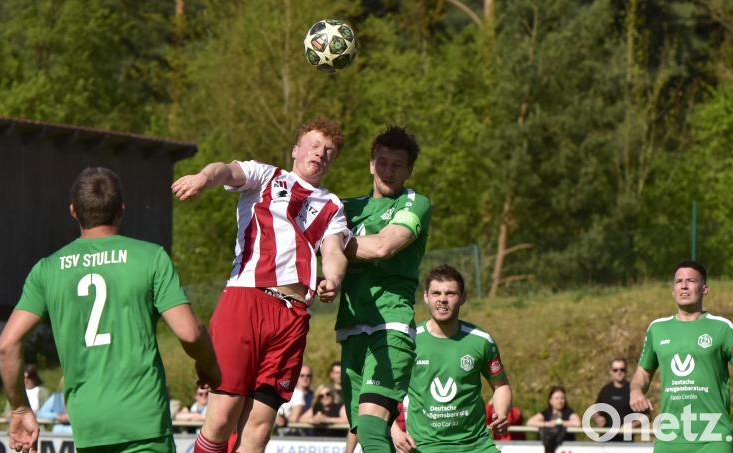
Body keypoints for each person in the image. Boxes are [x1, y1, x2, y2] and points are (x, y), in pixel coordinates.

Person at [0, 167, 221, 453]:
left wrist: (19, 409)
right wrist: (209, 366)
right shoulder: (150, 257)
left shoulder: (47, 269)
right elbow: (190, 333)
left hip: (90, 426)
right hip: (145, 421)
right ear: (122, 210)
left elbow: (6, 346)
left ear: (74, 212)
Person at [172, 118, 350, 453]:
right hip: (247, 298)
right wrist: (201, 178)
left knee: (259, 427)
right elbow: (223, 170)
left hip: (292, 317)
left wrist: (334, 278)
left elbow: (334, 251)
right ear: (296, 149)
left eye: (329, 151)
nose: (321, 153)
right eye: (314, 145)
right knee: (223, 415)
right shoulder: (267, 176)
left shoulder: (332, 205)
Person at [336, 125, 431, 453]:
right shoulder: (347, 208)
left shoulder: (415, 203)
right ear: (371, 164)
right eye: (382, 162)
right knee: (365, 430)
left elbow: (383, 247)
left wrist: (335, 243)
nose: (388, 171)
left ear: (408, 170)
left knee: (374, 427)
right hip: (350, 328)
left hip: (390, 326)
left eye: (397, 165)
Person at [630, 260, 733, 453]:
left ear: (704, 289)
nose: (683, 285)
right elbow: (642, 374)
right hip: (669, 438)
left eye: (690, 280)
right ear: (673, 290)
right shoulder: (657, 329)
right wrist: (636, 391)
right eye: (678, 281)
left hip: (714, 438)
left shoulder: (722, 327)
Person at [391, 265, 512, 453]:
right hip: (424, 447)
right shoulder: (409, 339)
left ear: (463, 297)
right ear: (426, 297)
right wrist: (394, 431)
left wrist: (502, 412)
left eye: (450, 293)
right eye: (436, 293)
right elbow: (381, 391)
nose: (442, 300)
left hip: (476, 446)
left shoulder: (481, 341)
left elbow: (501, 385)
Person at [592, 358, 646, 441]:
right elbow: (595, 410)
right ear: (611, 372)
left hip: (626, 441)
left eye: (622, 369)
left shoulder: (633, 390)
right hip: (606, 441)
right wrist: (597, 418)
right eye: (615, 370)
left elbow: (646, 416)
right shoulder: (605, 390)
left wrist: (633, 425)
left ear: (626, 371)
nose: (619, 372)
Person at [527, 386, 581, 453]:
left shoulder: (568, 412)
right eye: (557, 398)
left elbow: (577, 423)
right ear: (550, 401)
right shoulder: (546, 413)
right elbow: (530, 422)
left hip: (565, 449)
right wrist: (546, 424)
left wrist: (559, 423)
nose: (560, 401)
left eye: (562, 398)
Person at [275, 365, 315, 434]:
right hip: (287, 435)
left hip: (309, 436)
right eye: (302, 375)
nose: (305, 378)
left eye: (308, 376)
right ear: (297, 376)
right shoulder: (286, 394)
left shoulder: (317, 396)